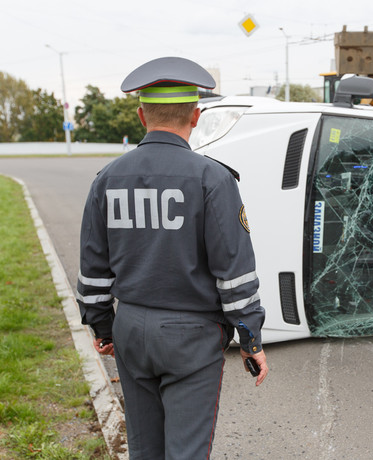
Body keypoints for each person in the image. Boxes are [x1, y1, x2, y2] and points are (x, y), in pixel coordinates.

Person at [76, 57, 268, 459]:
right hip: (192, 339)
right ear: (196, 116)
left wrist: (103, 328)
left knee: (144, 450)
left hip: (130, 329)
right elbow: (233, 275)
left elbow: (93, 273)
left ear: (141, 115)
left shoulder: (107, 178)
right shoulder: (212, 178)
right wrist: (250, 339)